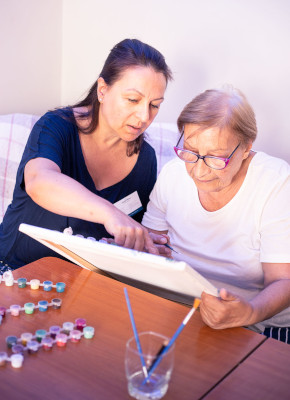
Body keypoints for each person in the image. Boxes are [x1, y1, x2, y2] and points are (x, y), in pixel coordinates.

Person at [0, 38, 172, 270]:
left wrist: (138, 246)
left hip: (83, 287)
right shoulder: (57, 126)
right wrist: (110, 214)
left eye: (154, 105)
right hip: (13, 272)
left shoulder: (146, 160)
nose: (144, 116)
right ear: (103, 90)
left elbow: (129, 233)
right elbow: (39, 182)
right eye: (133, 100)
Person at [142, 86, 290, 343]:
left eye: (215, 158)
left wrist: (250, 312)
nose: (198, 172)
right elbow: (151, 244)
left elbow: (283, 280)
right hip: (184, 310)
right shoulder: (174, 173)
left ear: (246, 148)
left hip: (257, 323)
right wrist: (136, 249)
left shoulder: (276, 184)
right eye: (190, 151)